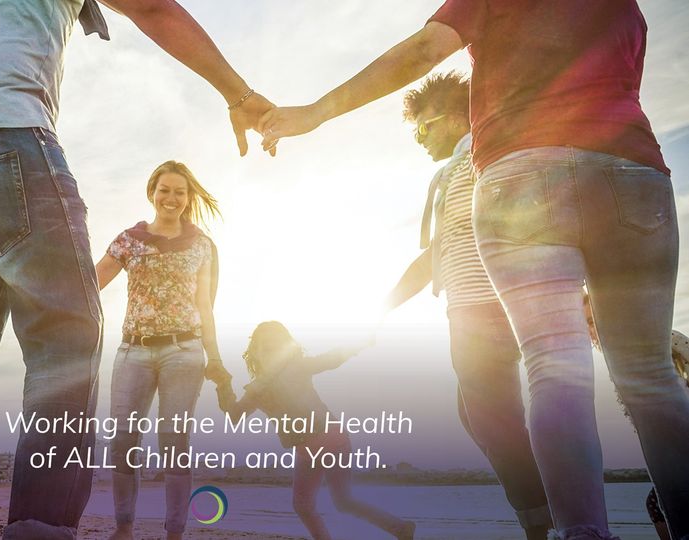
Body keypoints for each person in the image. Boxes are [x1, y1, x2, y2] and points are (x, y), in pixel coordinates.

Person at [257, 2, 688, 538]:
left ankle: (571, 529)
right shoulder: (629, 7)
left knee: (552, 372)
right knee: (650, 378)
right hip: (633, 171)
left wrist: (314, 113)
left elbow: (422, 50)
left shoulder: (463, 160)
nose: (419, 141)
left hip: (521, 172)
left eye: (423, 128)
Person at [0, 1, 275, 538]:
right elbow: (152, 8)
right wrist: (239, 95)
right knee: (67, 338)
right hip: (8, 137)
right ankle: (41, 527)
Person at [381, 72, 550, 539]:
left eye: (423, 128)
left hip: (486, 309)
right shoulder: (457, 170)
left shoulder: (479, 158)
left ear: (455, 117)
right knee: (476, 415)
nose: (419, 140)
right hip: (474, 311)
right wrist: (381, 308)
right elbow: (436, 253)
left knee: (494, 422)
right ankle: (551, 509)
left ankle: (546, 524)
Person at [95, 160, 229, 540]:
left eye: (179, 192)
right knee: (122, 440)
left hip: (183, 352)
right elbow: (92, 282)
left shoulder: (202, 246)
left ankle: (174, 532)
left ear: (188, 199)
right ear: (152, 192)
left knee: (174, 444)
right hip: (132, 350)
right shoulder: (129, 239)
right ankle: (124, 528)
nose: (171, 198)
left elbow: (205, 307)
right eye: (164, 190)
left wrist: (215, 360)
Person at [216, 322, 414, 540]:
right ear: (254, 352)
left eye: (276, 347)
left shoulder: (295, 367)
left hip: (331, 439)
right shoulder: (256, 389)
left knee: (342, 501)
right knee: (303, 505)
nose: (270, 353)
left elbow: (331, 359)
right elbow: (234, 415)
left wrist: (359, 343)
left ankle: (401, 529)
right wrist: (223, 383)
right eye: (265, 348)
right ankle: (400, 528)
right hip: (305, 450)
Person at [583, 294, 689, 540]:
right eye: (584, 323)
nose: (589, 330)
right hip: (668, 453)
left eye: (592, 319)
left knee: (660, 503)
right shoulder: (619, 360)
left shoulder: (653, 340)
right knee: (657, 504)